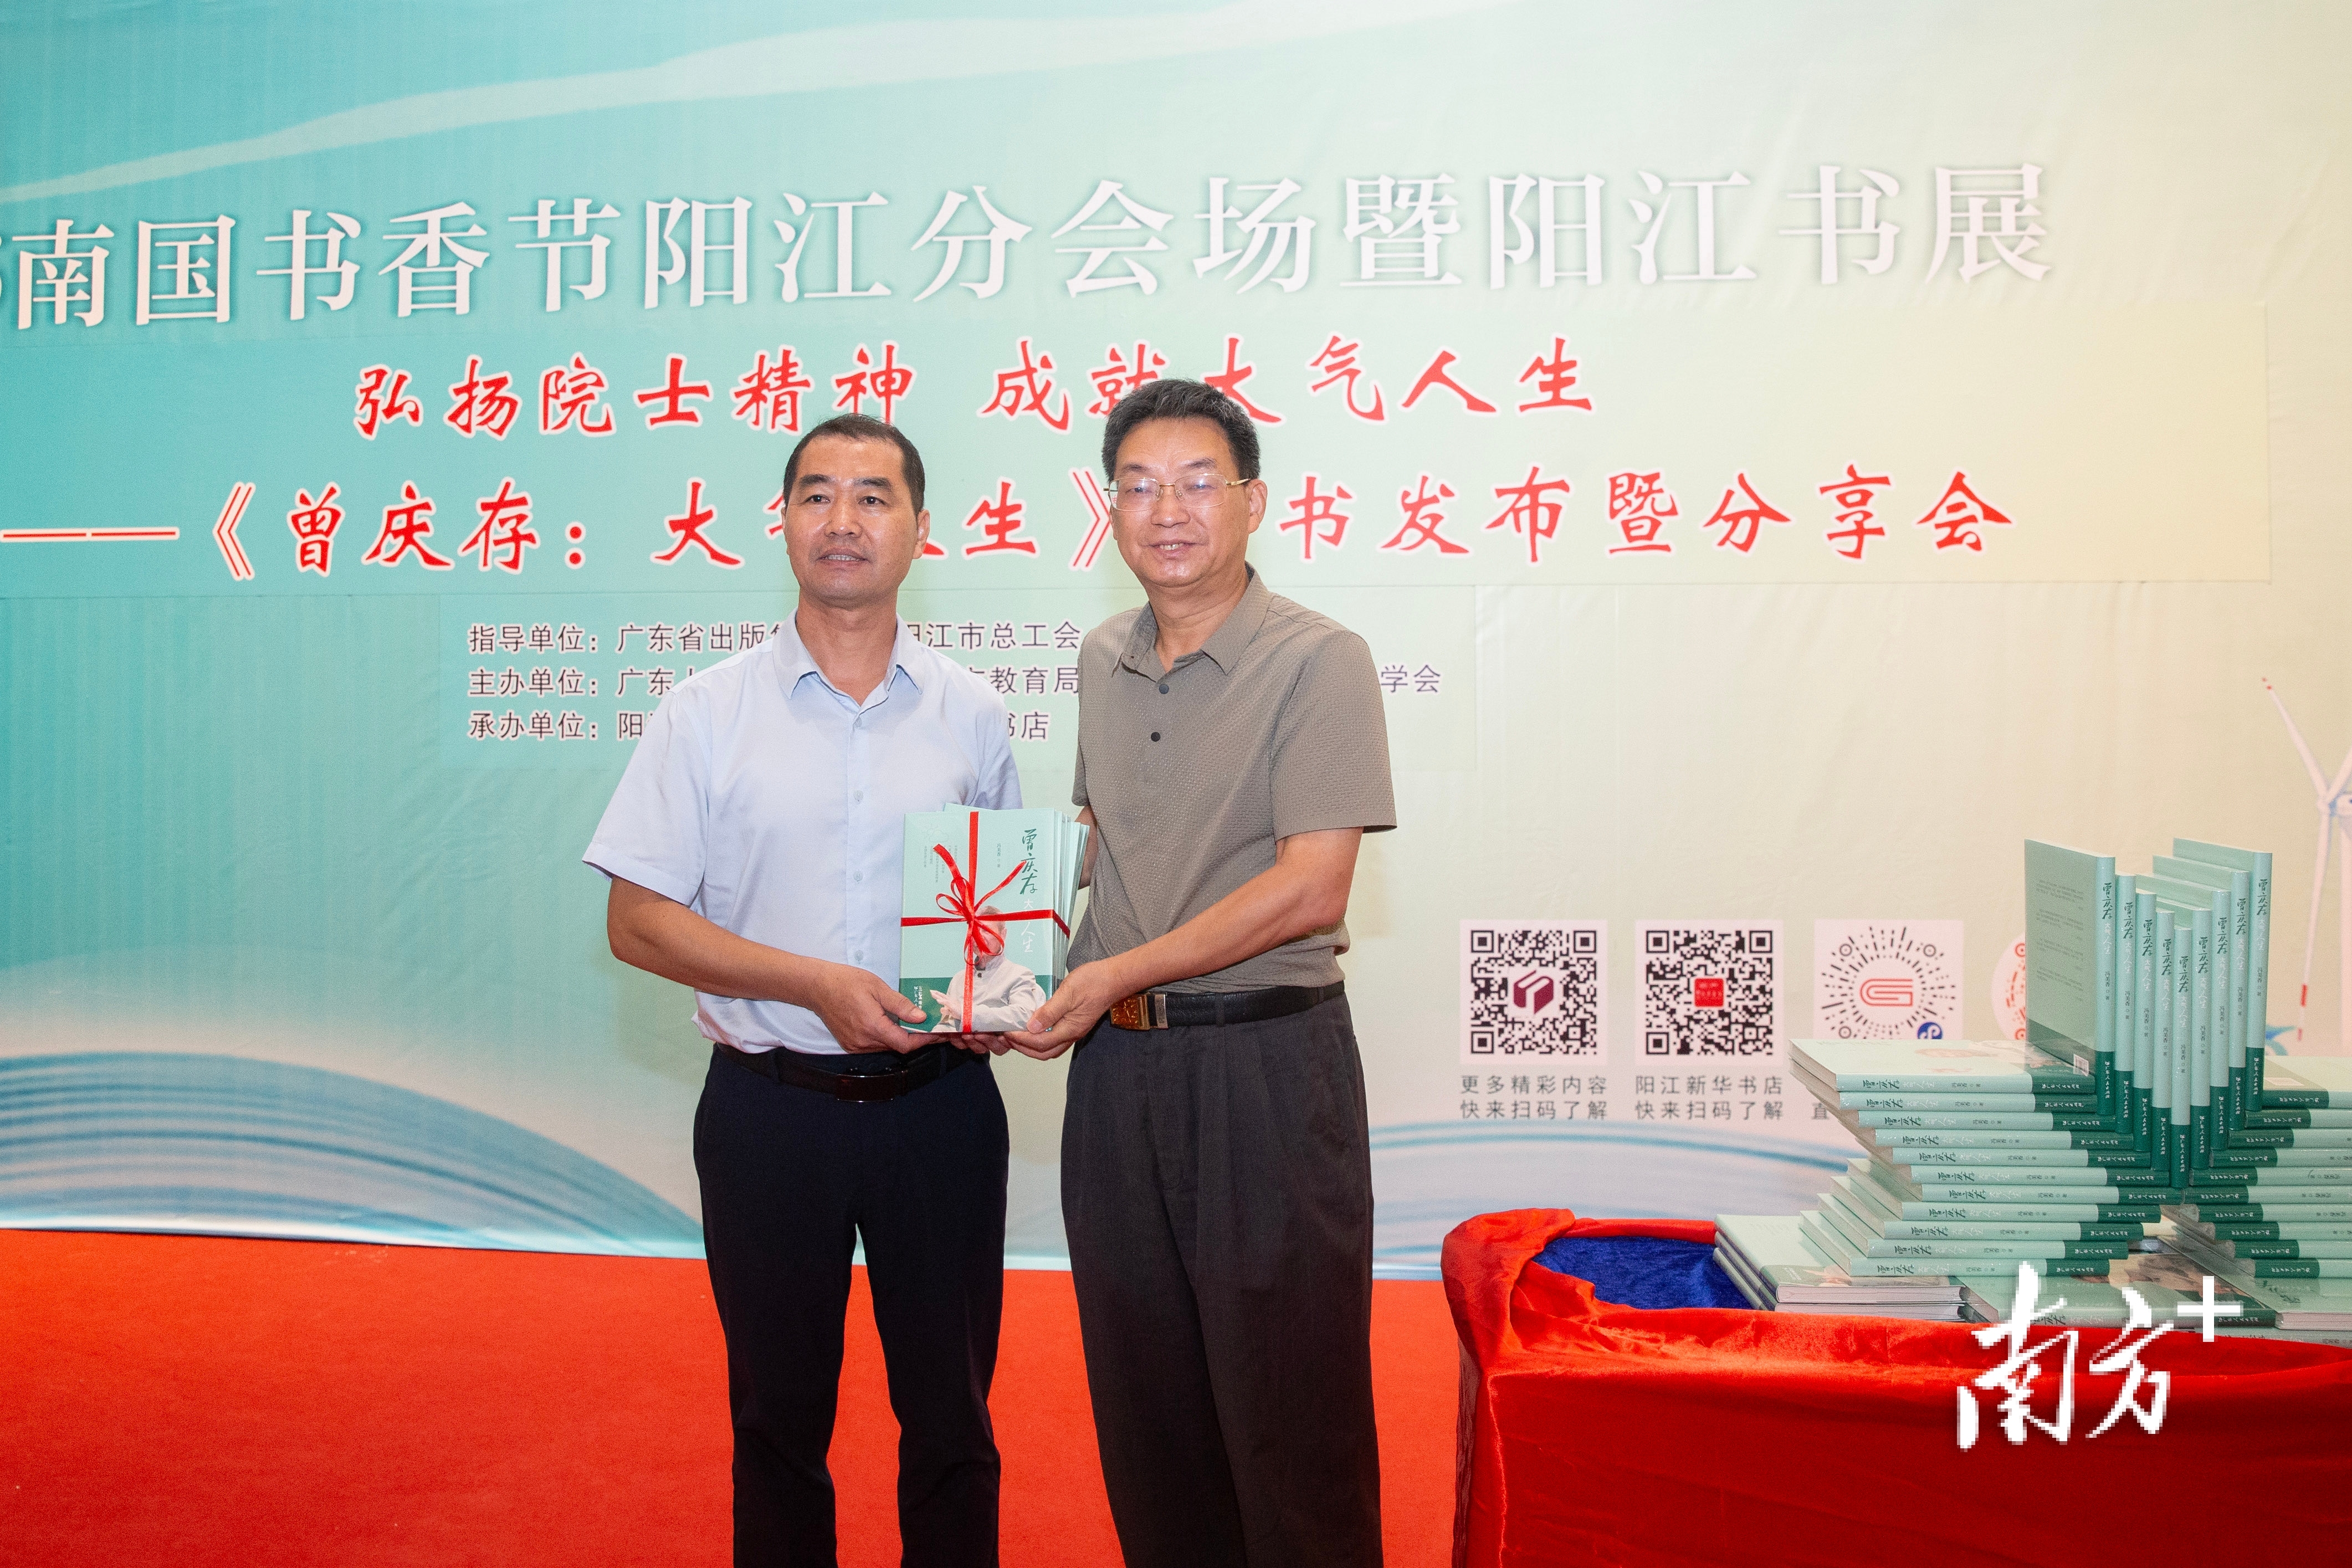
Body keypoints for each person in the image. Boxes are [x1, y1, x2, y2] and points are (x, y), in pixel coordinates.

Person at [585, 413, 1017, 1568]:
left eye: (874, 496)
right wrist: (809, 982)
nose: (843, 520)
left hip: (941, 1109)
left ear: (921, 529)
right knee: (776, 1422)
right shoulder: (704, 710)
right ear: (780, 522)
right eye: (816, 494)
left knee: (953, 1418)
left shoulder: (973, 711)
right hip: (768, 1112)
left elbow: (995, 918)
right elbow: (635, 920)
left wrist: (1002, 994)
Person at [1007, 379, 1397, 1567]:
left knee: (1289, 1406)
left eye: (1194, 483)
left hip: (1264, 1069)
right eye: (1136, 486)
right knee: (1147, 1401)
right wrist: (994, 957)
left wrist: (1112, 969)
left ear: (1252, 503)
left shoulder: (1319, 659)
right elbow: (1095, 842)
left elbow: (1309, 886)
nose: (1165, 511)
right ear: (1109, 510)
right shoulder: (1099, 657)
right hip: (1115, 1075)